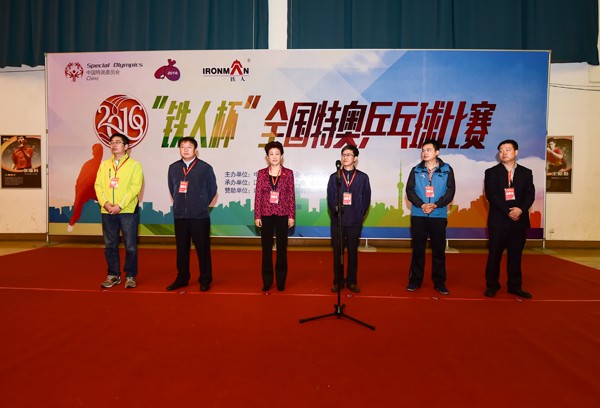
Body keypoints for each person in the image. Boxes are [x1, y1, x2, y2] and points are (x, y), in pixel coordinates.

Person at [484, 139, 535, 299]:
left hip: (519, 221)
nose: (503, 153)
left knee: (515, 255)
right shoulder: (491, 172)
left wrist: (520, 209)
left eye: (507, 149)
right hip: (499, 220)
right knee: (494, 255)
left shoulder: (526, 173)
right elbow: (492, 195)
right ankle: (492, 285)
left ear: (516, 152)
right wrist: (508, 211)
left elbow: (530, 194)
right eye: (501, 150)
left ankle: (515, 286)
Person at [166, 137, 218, 292]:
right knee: (182, 249)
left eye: (189, 147)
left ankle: (205, 279)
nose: (186, 149)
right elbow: (172, 188)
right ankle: (182, 278)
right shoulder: (173, 168)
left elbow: (212, 189)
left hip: (199, 216)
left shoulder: (205, 168)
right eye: (182, 147)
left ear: (195, 150)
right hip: (180, 216)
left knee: (202, 248)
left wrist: (200, 203)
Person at [405, 139, 455, 295]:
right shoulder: (416, 170)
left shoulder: (447, 169)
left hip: (438, 215)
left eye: (428, 150)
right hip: (419, 214)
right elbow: (410, 191)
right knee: (418, 249)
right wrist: (421, 204)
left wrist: (436, 205)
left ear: (437, 152)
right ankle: (415, 280)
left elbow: (450, 191)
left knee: (438, 250)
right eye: (423, 150)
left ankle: (439, 282)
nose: (424, 153)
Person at [94, 133, 144, 289]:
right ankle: (113, 275)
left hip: (127, 211)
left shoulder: (135, 165)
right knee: (110, 245)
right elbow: (98, 186)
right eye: (111, 142)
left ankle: (130, 275)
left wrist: (120, 206)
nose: (114, 145)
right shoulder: (104, 165)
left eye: (118, 142)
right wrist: (105, 204)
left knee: (130, 246)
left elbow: (135, 188)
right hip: (107, 211)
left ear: (126, 146)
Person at [327, 144, 371, 293]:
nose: (345, 157)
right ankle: (338, 281)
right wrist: (336, 213)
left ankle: (352, 281)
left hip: (354, 221)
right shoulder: (334, 177)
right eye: (343, 154)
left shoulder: (362, 177)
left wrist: (359, 214)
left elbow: (366, 199)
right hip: (338, 221)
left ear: (355, 158)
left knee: (352, 252)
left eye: (348, 155)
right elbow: (330, 199)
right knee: (337, 253)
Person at [254, 141, 296, 292]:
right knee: (266, 249)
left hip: (282, 214)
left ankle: (281, 281)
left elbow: (291, 196)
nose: (274, 156)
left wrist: (291, 216)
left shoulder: (288, 173)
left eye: (277, 154)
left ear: (281, 156)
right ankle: (267, 280)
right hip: (265, 214)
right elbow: (258, 195)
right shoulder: (261, 173)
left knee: (281, 249)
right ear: (267, 157)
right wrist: (257, 215)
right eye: (271, 154)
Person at [68, 143, 103, 232]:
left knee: (105, 204)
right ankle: (71, 223)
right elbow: (81, 179)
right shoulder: (90, 164)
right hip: (84, 189)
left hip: (93, 189)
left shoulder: (101, 165)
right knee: (77, 207)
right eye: (97, 152)